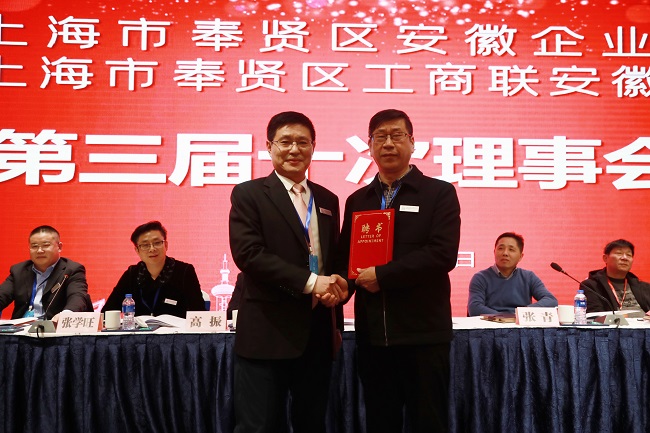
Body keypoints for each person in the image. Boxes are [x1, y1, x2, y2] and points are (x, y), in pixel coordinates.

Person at [336, 109, 461, 433]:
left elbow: (442, 254)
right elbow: (348, 263)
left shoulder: (439, 193)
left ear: (412, 142)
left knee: (428, 423)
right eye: (380, 137)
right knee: (380, 422)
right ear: (369, 145)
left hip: (424, 336)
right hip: (373, 338)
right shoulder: (357, 200)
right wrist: (338, 286)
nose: (388, 143)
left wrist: (383, 276)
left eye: (396, 135)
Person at [229, 111, 347, 433]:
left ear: (313, 147)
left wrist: (337, 286)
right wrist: (311, 282)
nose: (294, 149)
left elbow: (334, 257)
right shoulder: (249, 194)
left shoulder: (328, 199)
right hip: (268, 334)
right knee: (259, 426)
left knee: (312, 423)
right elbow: (249, 255)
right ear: (269, 147)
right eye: (285, 142)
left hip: (318, 333)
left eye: (303, 142)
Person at [102, 221, 205, 317]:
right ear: (137, 250)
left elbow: (199, 313)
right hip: (139, 331)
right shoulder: (132, 274)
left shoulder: (184, 271)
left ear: (166, 245)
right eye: (145, 245)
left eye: (157, 243)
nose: (152, 249)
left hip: (176, 330)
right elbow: (107, 312)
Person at [0, 225, 92, 320]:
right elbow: (2, 295)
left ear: (59, 247)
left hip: (53, 325)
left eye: (46, 245)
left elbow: (77, 296)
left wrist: (66, 314)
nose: (39, 251)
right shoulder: (19, 270)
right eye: (34, 246)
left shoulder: (71, 270)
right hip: (21, 327)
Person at [467, 232, 557, 316]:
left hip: (520, 324)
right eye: (501, 248)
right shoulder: (481, 278)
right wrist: (505, 318)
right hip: (491, 324)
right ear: (494, 252)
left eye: (511, 249)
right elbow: (475, 308)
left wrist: (523, 312)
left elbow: (551, 300)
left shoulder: (529, 277)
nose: (505, 253)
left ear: (520, 256)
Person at [581, 239, 650, 314]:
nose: (625, 258)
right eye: (619, 253)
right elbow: (596, 316)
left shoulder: (644, 287)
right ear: (605, 258)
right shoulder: (592, 286)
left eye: (629, 255)